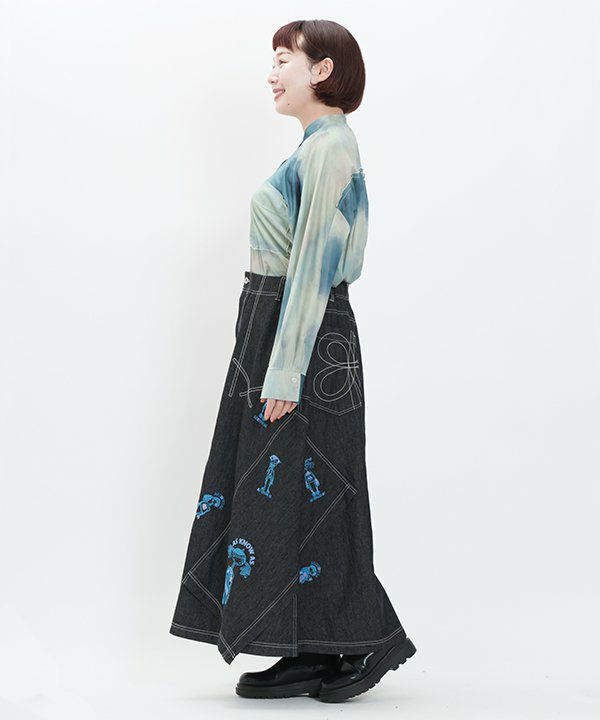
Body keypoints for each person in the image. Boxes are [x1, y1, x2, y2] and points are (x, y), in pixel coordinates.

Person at [169, 19, 417, 703]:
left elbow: (312, 266)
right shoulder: (313, 148)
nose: (272, 73)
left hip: (302, 330)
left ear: (323, 70)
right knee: (279, 493)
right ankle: (308, 644)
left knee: (322, 488)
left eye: (284, 60)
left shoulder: (331, 147)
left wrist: (284, 371)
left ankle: (369, 640)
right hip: (278, 326)